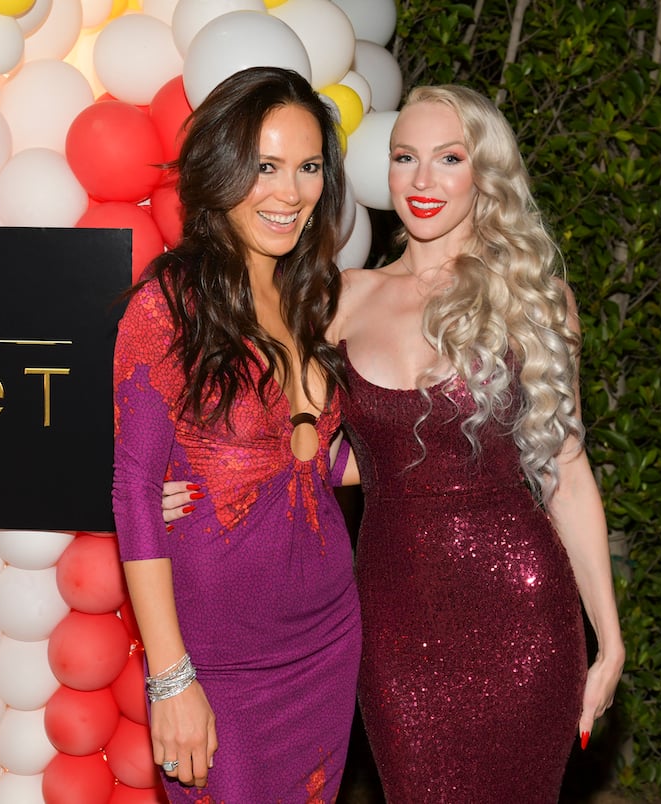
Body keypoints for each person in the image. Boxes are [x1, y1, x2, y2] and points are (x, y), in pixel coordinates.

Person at [164, 84, 624, 802]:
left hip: (522, 608)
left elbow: (565, 470)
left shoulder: (535, 299)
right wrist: (200, 478)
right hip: (393, 615)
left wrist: (608, 635)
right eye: (404, 157)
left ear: (485, 174)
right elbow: (285, 441)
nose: (421, 179)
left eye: (448, 158)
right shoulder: (341, 299)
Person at [112, 66, 361, 802]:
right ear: (220, 171)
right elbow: (132, 488)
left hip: (325, 637)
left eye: (308, 167)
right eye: (264, 167)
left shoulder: (309, 295)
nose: (288, 193)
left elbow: (315, 462)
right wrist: (170, 678)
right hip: (218, 659)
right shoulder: (168, 306)